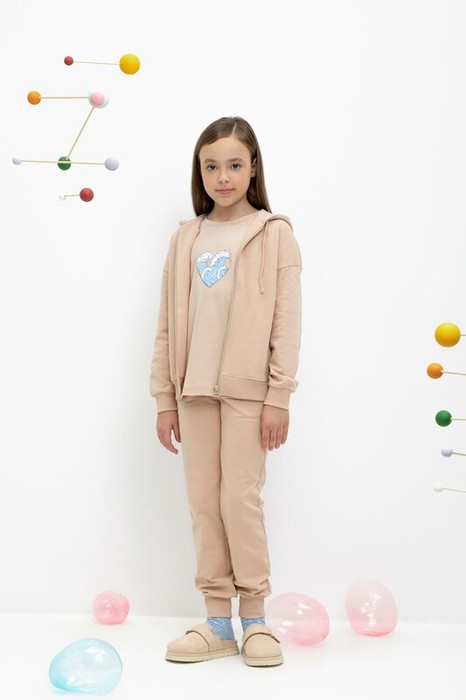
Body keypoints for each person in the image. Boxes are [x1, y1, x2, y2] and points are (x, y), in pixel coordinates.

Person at [150, 116, 302, 666]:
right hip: (192, 391)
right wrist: (163, 397)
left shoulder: (274, 233)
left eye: (235, 165)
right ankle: (217, 621)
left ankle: (255, 619)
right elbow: (167, 324)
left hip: (248, 395)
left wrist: (279, 395)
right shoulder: (186, 238)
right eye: (211, 166)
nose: (223, 177)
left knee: (240, 500)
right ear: (200, 172)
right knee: (203, 504)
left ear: (253, 167)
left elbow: (287, 321)